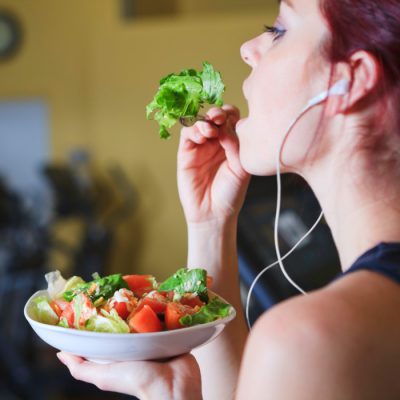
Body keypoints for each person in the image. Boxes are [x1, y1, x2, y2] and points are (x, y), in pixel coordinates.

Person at [56, 0, 400, 398]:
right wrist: (211, 224)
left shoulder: (310, 342)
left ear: (353, 81)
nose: (248, 48)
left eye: (279, 31)